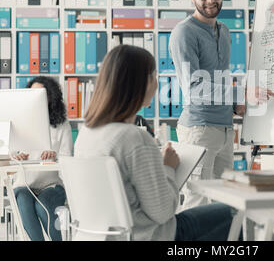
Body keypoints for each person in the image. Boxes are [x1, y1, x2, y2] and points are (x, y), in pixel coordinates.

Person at [74, 44, 237, 241]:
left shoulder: (86, 133)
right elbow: (164, 212)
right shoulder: (134, 138)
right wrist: (168, 167)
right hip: (153, 236)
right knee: (239, 213)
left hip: (108, 236)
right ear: (139, 83)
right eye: (154, 76)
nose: (157, 84)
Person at [169, 0, 274, 210]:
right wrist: (242, 93)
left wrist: (236, 104)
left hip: (225, 128)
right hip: (199, 128)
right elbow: (194, 88)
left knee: (224, 202)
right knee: (197, 201)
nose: (210, 0)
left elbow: (220, 78)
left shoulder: (224, 31)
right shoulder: (184, 33)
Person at [13, 76, 73, 241]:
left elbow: (67, 159)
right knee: (24, 199)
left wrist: (55, 156)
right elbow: (9, 153)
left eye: (41, 93)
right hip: (24, 184)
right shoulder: (19, 123)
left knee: (43, 205)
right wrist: (16, 156)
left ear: (50, 97)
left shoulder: (62, 125)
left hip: (52, 185)